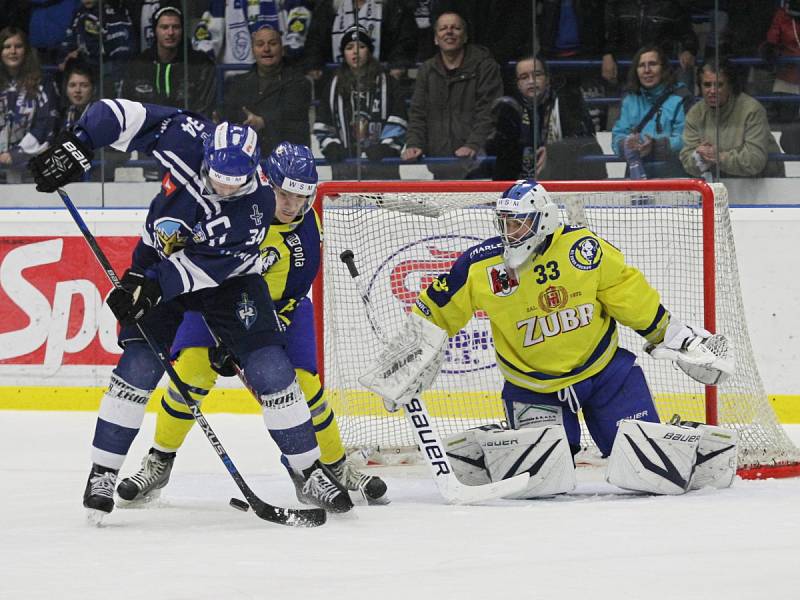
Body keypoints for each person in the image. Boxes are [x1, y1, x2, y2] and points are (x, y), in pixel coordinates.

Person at [28, 100, 354, 519]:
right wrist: (78, 145)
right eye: (218, 180)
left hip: (225, 280)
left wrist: (150, 287)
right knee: (140, 365)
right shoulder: (187, 137)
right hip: (157, 261)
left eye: (234, 185)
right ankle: (102, 472)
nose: (224, 190)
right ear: (208, 157)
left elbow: (207, 269)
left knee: (272, 367)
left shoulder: (255, 209)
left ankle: (308, 471)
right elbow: (119, 113)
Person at [392, 180, 734, 495]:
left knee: (645, 465)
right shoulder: (481, 266)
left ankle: (684, 438)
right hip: (533, 388)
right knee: (543, 480)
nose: (509, 232)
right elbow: (434, 310)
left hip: (606, 376)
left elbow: (630, 297)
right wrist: (409, 355)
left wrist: (673, 336)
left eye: (518, 223)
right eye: (505, 223)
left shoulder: (583, 250)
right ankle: (491, 441)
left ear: (542, 221)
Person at [117, 143, 388, 505]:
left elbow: (297, 285)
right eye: (284, 194)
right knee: (192, 376)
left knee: (305, 388)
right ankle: (159, 461)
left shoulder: (308, 224)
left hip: (279, 311)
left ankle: (333, 466)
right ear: (265, 182)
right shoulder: (228, 209)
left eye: (301, 196)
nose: (292, 205)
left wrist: (251, 337)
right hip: (211, 305)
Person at [401, 10, 503, 179]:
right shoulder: (426, 70)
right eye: (443, 28)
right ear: (435, 38)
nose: (449, 32)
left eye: (456, 28)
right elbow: (418, 113)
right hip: (439, 164)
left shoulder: (485, 66)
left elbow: (489, 112)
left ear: (465, 37)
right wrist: (414, 144)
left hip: (479, 164)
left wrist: (473, 144)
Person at [487, 54, 605, 181]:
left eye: (537, 75)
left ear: (547, 79)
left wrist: (553, 151)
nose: (531, 81)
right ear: (518, 85)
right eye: (524, 77)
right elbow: (502, 155)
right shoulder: (511, 110)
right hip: (524, 184)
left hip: (569, 179)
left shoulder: (568, 100)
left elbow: (584, 141)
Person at [313, 25, 407, 180]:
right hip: (345, 168)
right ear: (343, 53)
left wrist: (386, 147)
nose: (355, 52)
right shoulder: (332, 86)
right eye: (349, 47)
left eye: (361, 46)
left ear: (369, 51)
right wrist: (331, 145)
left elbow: (399, 117)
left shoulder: (388, 83)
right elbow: (323, 122)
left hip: (382, 167)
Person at [680, 58, 784, 180]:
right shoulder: (695, 113)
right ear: (700, 86)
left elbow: (755, 161)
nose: (712, 91)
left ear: (730, 86)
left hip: (765, 184)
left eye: (719, 85)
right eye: (707, 85)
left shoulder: (752, 109)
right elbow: (687, 163)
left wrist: (720, 158)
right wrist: (700, 158)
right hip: (723, 185)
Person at [220, 24, 312, 157]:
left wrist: (264, 122)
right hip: (248, 160)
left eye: (273, 43)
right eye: (260, 44)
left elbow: (293, 118)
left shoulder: (300, 83)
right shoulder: (237, 83)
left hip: (288, 160)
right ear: (252, 50)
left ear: (282, 49)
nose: (266, 49)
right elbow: (230, 116)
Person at [611, 45, 691, 179]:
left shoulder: (682, 96)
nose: (647, 70)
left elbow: (687, 139)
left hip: (674, 175)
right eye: (642, 65)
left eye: (652, 64)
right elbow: (617, 138)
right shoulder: (629, 98)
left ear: (664, 68)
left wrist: (655, 146)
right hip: (637, 175)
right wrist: (627, 145)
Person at [122, 5, 216, 118]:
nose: (170, 32)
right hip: (147, 132)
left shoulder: (200, 64)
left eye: (176, 27)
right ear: (155, 30)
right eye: (164, 27)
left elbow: (204, 110)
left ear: (182, 30)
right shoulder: (139, 65)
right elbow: (128, 109)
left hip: (187, 131)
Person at [303, 0, 417, 81]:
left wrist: (398, 63)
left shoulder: (393, 5)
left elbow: (404, 39)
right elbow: (315, 39)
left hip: (381, 78)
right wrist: (313, 62)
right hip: (338, 78)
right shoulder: (328, 6)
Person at [0, 27, 57, 184]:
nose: (13, 51)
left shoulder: (42, 82)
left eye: (18, 46)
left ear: (26, 51)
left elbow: (45, 123)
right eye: (6, 47)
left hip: (31, 168)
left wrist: (16, 154)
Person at [193, 0, 313, 70]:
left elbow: (299, 17)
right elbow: (205, 35)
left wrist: (291, 51)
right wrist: (204, 58)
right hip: (237, 79)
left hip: (281, 75)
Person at [603, 1, 698, 87]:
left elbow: (687, 34)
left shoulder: (671, 5)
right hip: (629, 69)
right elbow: (611, 34)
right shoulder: (618, 4)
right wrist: (607, 54)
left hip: (661, 70)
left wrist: (689, 50)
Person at [58, 0, 134, 97]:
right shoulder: (79, 13)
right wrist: (66, 57)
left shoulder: (114, 11)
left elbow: (122, 48)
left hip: (108, 71)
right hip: (87, 70)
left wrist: (80, 53)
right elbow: (69, 41)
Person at [760, 1, 800, 122]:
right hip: (789, 77)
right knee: (787, 122)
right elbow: (772, 39)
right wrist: (770, 48)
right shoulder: (782, 15)